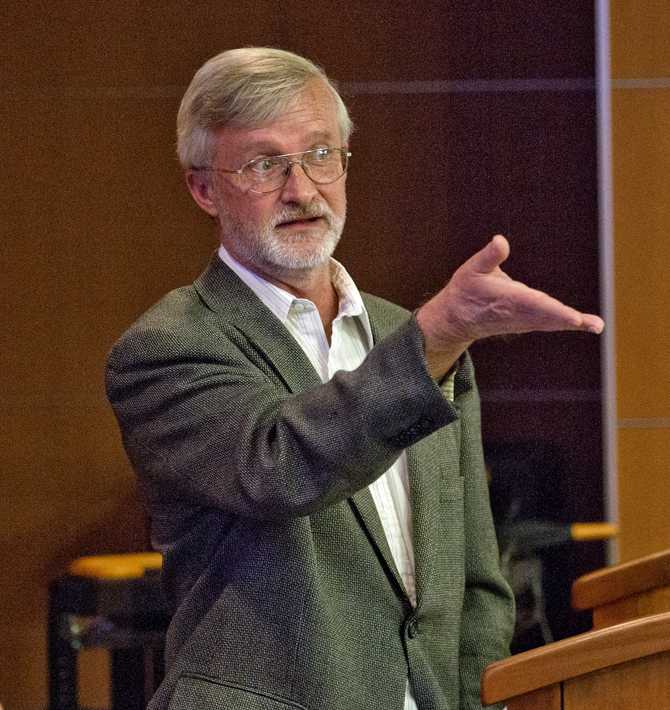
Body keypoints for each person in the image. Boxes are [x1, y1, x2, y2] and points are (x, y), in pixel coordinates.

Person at [106, 47, 604, 710]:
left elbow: (475, 577)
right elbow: (281, 463)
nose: (302, 189)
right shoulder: (169, 347)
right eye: (263, 164)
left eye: (320, 154)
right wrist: (435, 339)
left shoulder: (411, 336)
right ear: (204, 188)